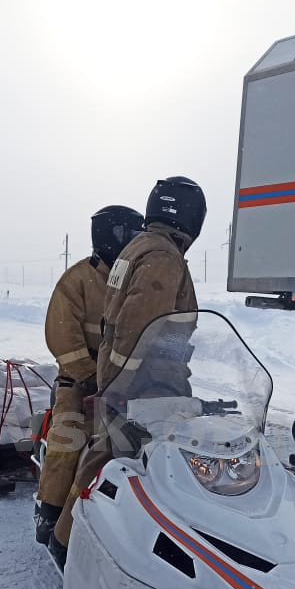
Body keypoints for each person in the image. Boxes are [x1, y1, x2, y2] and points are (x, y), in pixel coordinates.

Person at [49, 177, 205, 567]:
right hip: (145, 386)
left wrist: (111, 381)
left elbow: (121, 326)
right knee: (133, 463)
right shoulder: (163, 256)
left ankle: (68, 537)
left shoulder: (139, 249)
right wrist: (117, 385)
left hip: (127, 382)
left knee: (102, 459)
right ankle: (72, 538)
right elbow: (136, 328)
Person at [34, 205, 144, 545]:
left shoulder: (137, 279)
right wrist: (89, 377)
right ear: (111, 234)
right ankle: (51, 512)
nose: (135, 241)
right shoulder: (77, 279)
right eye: (130, 234)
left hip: (127, 385)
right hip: (81, 384)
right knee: (68, 438)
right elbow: (62, 336)